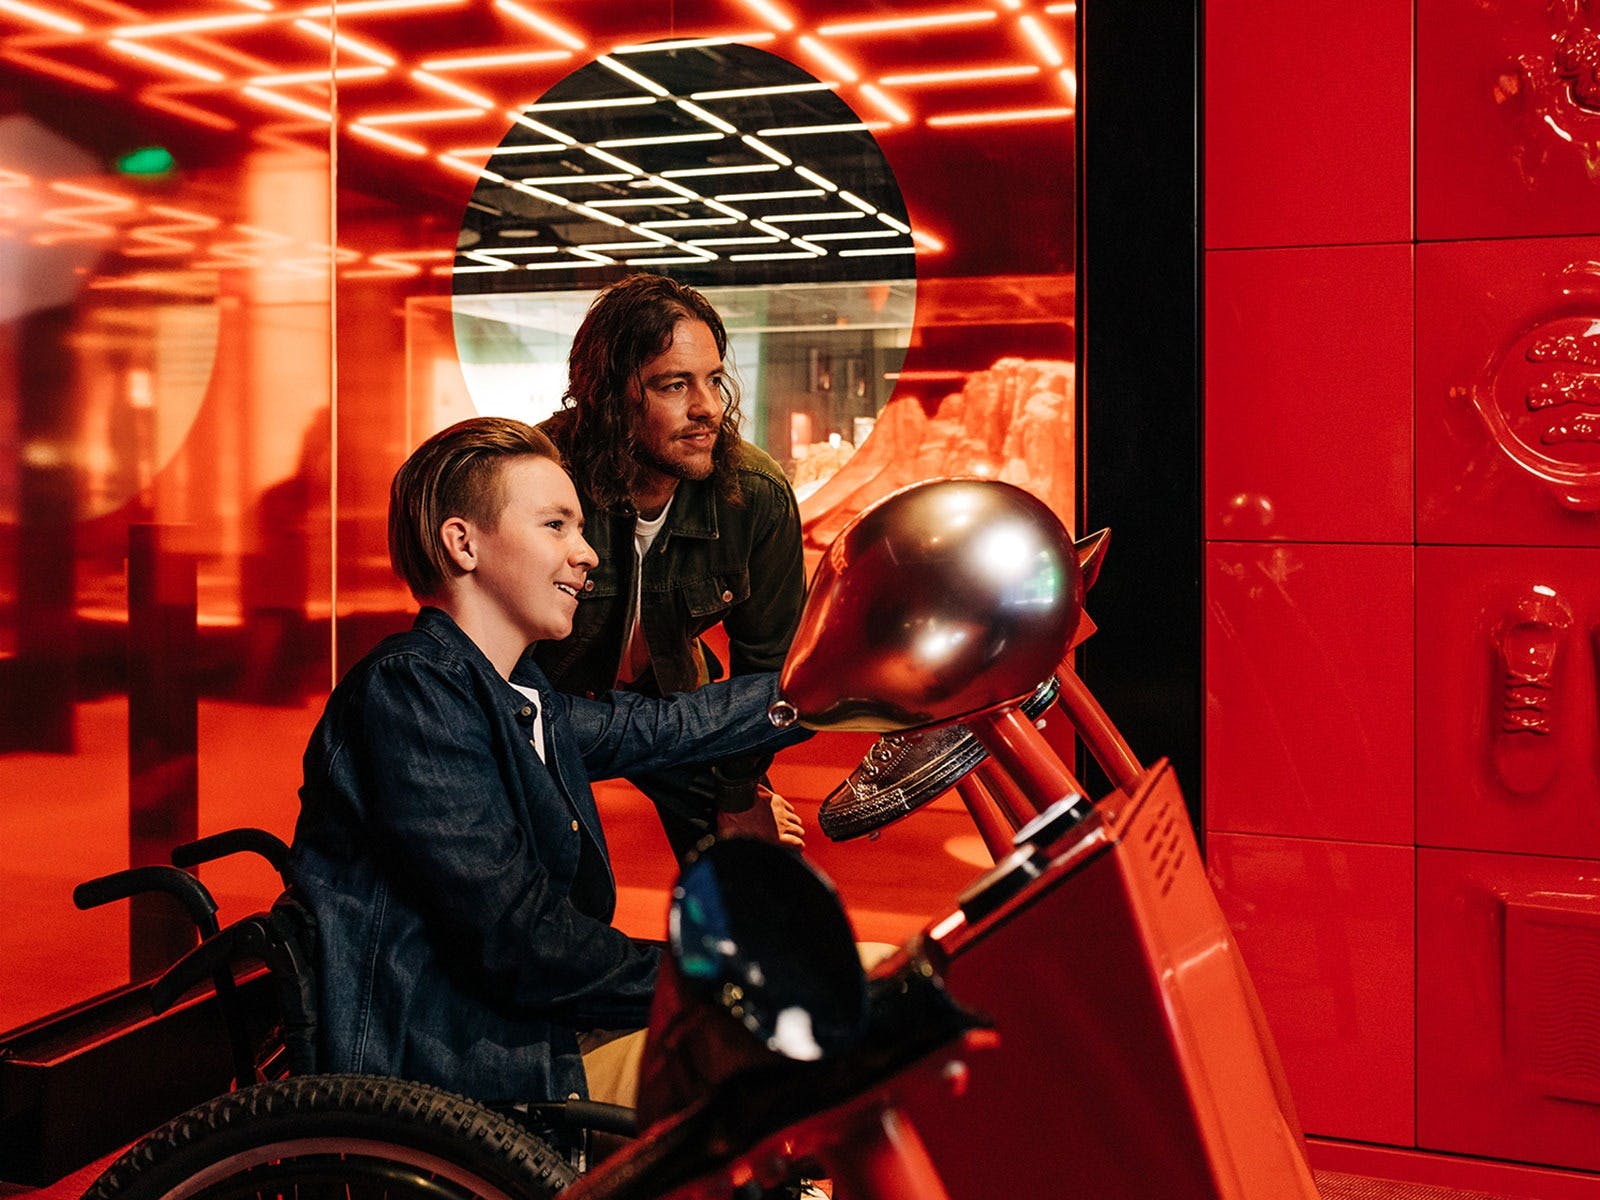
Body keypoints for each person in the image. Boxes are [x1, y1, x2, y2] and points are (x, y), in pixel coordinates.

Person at [286, 417, 807, 1108]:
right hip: (472, 1073)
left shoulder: (518, 696)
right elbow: (521, 943)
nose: (587, 554)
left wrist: (817, 690)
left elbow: (667, 725)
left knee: (856, 991)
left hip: (532, 1038)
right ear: (462, 543)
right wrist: (714, 977)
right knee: (823, 1029)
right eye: (556, 526)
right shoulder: (411, 693)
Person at [533, 274, 808, 863]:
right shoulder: (538, 479)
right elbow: (485, 656)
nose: (706, 407)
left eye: (712, 380)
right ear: (609, 397)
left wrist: (737, 791)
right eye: (673, 385)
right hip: (549, 711)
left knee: (756, 864)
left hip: (668, 696)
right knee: (564, 885)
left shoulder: (752, 493)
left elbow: (770, 665)